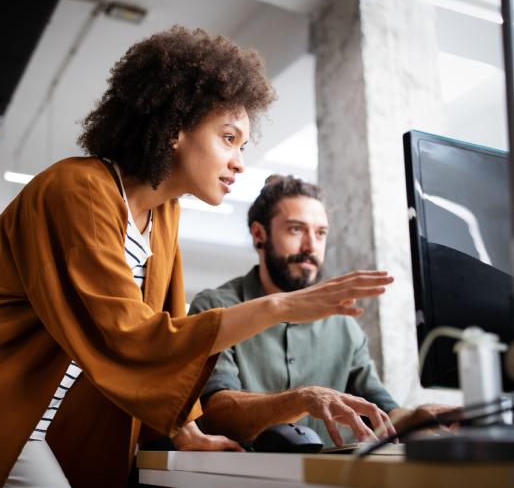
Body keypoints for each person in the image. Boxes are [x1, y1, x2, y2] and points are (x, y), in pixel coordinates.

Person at [0, 27, 393, 488]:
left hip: (15, 414)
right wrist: (278, 309)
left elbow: (164, 334)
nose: (237, 161)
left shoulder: (163, 215)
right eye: (228, 137)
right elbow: (130, 336)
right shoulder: (78, 189)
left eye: (243, 145)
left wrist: (189, 435)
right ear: (174, 126)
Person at [190, 175, 450, 448]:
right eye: (295, 230)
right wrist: (301, 399)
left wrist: (419, 418)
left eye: (320, 233)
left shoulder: (343, 325)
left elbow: (381, 413)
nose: (310, 247)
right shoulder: (216, 308)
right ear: (259, 235)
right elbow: (214, 413)